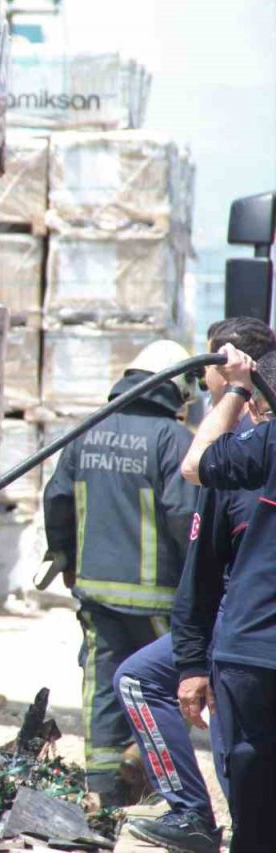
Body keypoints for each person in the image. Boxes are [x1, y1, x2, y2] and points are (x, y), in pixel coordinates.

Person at [117, 319, 276, 853]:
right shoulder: (250, 448)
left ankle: (195, 815)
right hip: (237, 641)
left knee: (248, 780)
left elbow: (195, 470)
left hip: (244, 645)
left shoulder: (246, 454)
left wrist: (193, 661)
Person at [42, 339, 199, 805]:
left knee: (102, 688)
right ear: (174, 389)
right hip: (159, 599)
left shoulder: (87, 432)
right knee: (168, 691)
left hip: (95, 592)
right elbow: (182, 517)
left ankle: (102, 790)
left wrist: (65, 559)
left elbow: (57, 500)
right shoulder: (173, 440)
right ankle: (150, 775)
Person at [181, 343, 276, 852]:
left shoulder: (267, 441)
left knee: (256, 818)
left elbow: (195, 464)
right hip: (252, 653)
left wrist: (236, 388)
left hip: (254, 654)